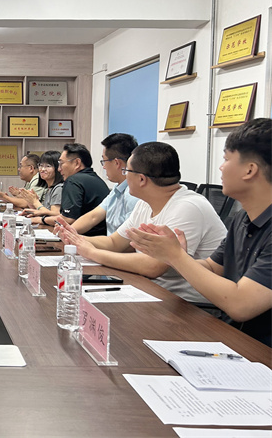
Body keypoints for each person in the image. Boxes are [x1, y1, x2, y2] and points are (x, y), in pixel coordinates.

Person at [126, 119, 271, 345]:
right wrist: (174, 257)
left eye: (226, 159)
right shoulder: (242, 219)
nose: (221, 167)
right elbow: (213, 267)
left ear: (249, 170)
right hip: (233, 336)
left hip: (259, 348)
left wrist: (176, 256)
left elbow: (241, 305)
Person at [56, 141, 227, 307]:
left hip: (189, 306)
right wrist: (77, 239)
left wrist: (93, 253)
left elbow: (153, 266)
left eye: (127, 171)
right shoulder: (145, 203)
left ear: (142, 179)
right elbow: (114, 242)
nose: (124, 175)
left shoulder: (188, 207)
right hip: (152, 292)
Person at [69, 133, 139, 235]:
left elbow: (124, 240)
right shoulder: (117, 189)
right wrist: (67, 231)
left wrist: (77, 239)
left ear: (117, 163)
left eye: (104, 161)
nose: (104, 167)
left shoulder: (133, 194)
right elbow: (93, 217)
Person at [42, 143, 109, 235]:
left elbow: (68, 219)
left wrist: (41, 220)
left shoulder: (73, 181)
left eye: (61, 164)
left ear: (77, 163)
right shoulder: (96, 179)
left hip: (85, 237)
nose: (59, 169)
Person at [19, 151, 64, 219]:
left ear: (58, 168)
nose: (42, 169)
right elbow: (44, 213)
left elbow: (55, 216)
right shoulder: (49, 188)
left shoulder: (58, 188)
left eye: (48, 166)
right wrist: (32, 204)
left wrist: (35, 202)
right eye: (41, 165)